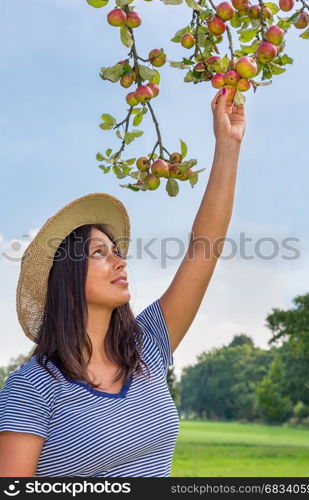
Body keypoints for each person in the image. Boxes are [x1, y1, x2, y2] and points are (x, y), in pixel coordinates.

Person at [0, 89, 246, 477]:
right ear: (66, 278)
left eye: (116, 250)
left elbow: (205, 248)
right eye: (99, 253)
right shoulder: (30, 389)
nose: (120, 260)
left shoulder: (146, 346)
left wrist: (227, 146)